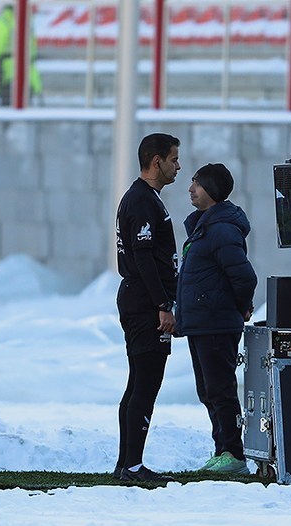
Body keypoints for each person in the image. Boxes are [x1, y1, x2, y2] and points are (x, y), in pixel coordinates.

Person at [174, 163, 257, 475]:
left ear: (212, 189)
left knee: (220, 391)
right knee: (208, 391)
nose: (190, 189)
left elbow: (244, 277)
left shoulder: (221, 229)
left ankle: (233, 453)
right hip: (202, 323)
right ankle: (221, 449)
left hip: (216, 324)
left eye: (196, 184)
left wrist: (241, 307)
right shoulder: (204, 227)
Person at [113, 133, 181, 484]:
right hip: (144, 303)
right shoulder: (142, 201)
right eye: (174, 159)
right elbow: (143, 258)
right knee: (146, 383)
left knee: (138, 382)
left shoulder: (145, 198)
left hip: (139, 299)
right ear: (157, 161)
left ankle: (126, 463)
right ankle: (133, 465)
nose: (178, 166)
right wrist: (162, 304)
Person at [0, 4, 43, 106]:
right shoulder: (26, 21)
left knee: (8, 108)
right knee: (25, 106)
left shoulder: (0, 23)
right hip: (29, 74)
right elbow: (33, 49)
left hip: (8, 74)